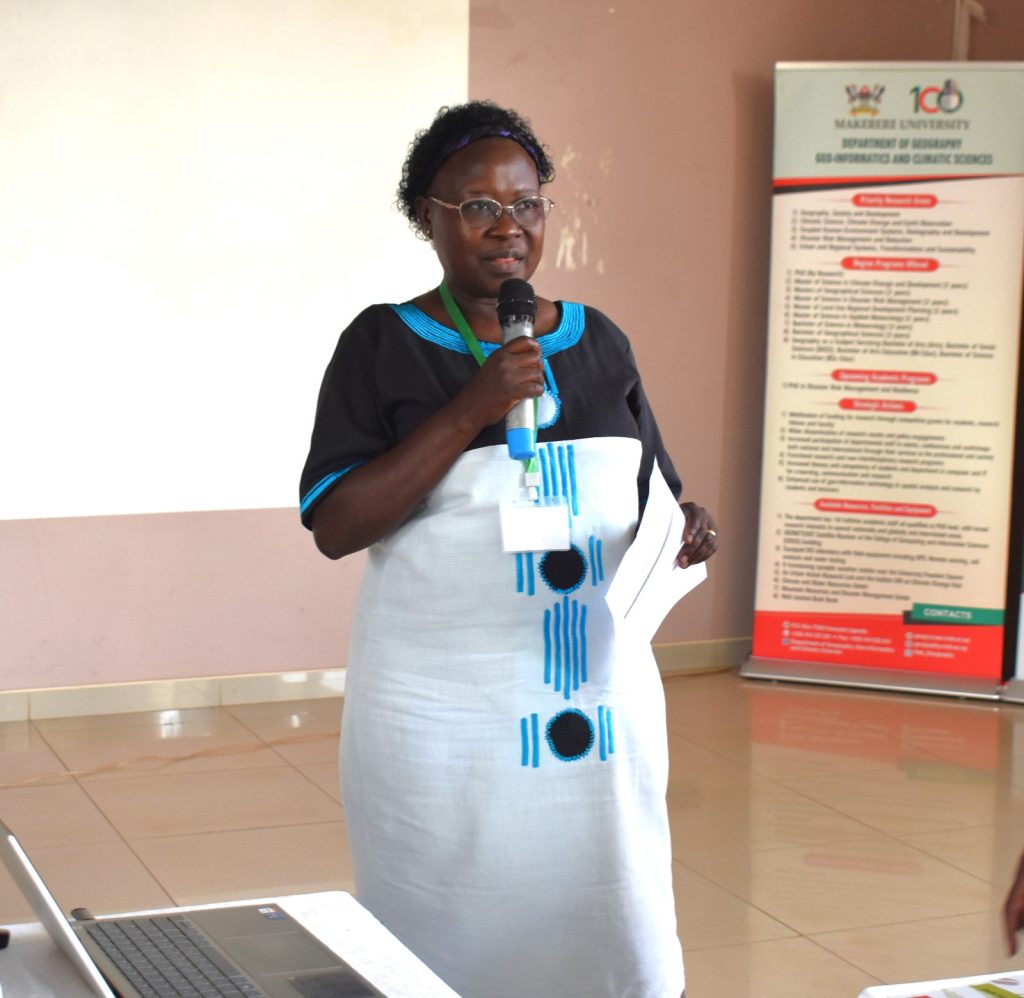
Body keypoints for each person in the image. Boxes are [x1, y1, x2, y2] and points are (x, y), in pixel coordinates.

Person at [299, 100, 718, 998]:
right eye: (479, 206)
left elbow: (655, 490)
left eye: (526, 205)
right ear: (429, 219)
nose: (508, 228)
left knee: (608, 923)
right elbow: (337, 523)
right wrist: (469, 410)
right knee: (443, 934)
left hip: (595, 716)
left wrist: (685, 527)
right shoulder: (381, 345)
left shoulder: (598, 339)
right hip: (444, 720)